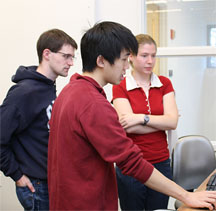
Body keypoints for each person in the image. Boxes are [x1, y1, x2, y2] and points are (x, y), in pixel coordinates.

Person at [47, 21, 216, 211]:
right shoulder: (92, 103)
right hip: (86, 203)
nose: (127, 66)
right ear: (101, 61)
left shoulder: (70, 91)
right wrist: (186, 196)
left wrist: (140, 119)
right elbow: (131, 162)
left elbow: (170, 121)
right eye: (124, 59)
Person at [0, 29, 77, 211]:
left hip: (51, 181)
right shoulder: (24, 92)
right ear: (47, 54)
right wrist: (17, 175)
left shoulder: (49, 87)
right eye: (66, 56)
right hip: (37, 186)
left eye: (72, 57)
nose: (71, 63)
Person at [112, 34, 178, 210]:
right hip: (131, 163)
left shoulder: (164, 83)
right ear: (131, 57)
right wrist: (160, 122)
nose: (150, 61)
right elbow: (127, 126)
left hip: (161, 162)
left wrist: (141, 118)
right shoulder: (120, 85)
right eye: (144, 55)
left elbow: (172, 122)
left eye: (153, 55)